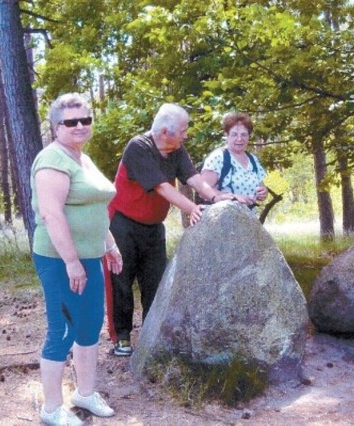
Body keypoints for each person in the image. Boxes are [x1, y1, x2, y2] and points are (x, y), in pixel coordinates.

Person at [107, 103, 253, 356]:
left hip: (153, 226)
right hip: (122, 223)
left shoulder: (176, 149)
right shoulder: (138, 148)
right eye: (183, 130)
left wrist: (216, 196)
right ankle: (122, 337)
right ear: (166, 132)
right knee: (121, 280)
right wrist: (191, 208)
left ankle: (152, 335)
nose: (186, 135)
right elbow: (162, 187)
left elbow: (194, 178)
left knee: (155, 280)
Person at [31, 93, 122, 425]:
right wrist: (71, 262)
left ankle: (84, 393)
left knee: (89, 326)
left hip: (90, 256)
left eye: (86, 120)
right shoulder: (52, 160)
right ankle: (52, 409)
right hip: (59, 261)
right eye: (71, 122)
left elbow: (95, 207)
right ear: (56, 127)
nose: (81, 126)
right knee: (62, 331)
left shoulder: (82, 157)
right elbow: (53, 215)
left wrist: (109, 244)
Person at [201, 112, 268, 206]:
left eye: (244, 135)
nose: (239, 139)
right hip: (222, 217)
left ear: (249, 136)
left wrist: (263, 193)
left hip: (247, 218)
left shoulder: (253, 160)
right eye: (234, 134)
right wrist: (233, 197)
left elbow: (261, 187)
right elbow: (203, 190)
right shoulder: (218, 158)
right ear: (227, 135)